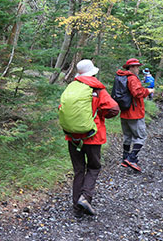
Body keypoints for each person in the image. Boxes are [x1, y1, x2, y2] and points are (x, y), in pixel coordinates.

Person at [61, 59, 119, 216]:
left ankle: (77, 209)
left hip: (73, 137)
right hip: (93, 136)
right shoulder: (98, 89)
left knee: (79, 170)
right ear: (93, 72)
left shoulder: (71, 88)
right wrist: (101, 115)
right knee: (94, 167)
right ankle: (85, 197)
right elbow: (114, 108)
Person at [116, 58, 153, 172]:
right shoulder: (132, 78)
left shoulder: (121, 77)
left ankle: (125, 159)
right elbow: (137, 92)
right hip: (135, 112)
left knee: (127, 136)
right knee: (141, 136)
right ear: (131, 67)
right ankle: (132, 158)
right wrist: (148, 91)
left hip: (124, 111)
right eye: (136, 66)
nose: (138, 69)